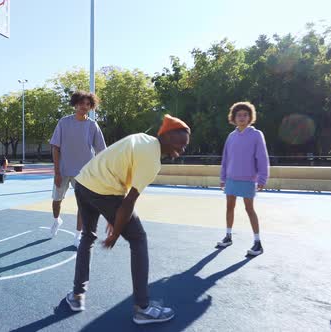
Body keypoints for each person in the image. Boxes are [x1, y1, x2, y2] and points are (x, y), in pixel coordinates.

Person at [65, 114, 190, 325]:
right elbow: (128, 201)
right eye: (181, 143)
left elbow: (117, 168)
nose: (183, 148)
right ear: (167, 136)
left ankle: (77, 296)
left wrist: (114, 217)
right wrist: (115, 232)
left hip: (83, 183)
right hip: (104, 191)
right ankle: (142, 308)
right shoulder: (152, 160)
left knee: (87, 236)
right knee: (138, 239)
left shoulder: (142, 138)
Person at [49, 91, 106, 247]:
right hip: (63, 170)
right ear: (75, 104)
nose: (84, 107)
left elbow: (101, 150)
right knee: (56, 201)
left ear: (91, 106)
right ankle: (56, 220)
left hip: (84, 173)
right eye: (81, 103)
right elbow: (55, 148)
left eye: (88, 104)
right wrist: (57, 172)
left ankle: (77, 235)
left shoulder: (92, 125)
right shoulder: (63, 122)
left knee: (82, 205)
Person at [216, 102, 269, 257]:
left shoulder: (256, 134)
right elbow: (225, 158)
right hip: (231, 179)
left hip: (248, 179)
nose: (242, 118)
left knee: (249, 209)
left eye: (245, 115)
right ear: (234, 117)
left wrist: (262, 178)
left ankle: (258, 243)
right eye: (239, 115)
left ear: (250, 117)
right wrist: (223, 177)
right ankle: (228, 236)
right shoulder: (231, 136)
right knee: (229, 207)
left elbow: (262, 158)